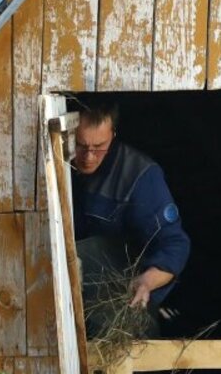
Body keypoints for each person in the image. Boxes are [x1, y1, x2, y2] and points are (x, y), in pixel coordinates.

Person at [68, 102, 189, 339]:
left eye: (99, 146)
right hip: (66, 302)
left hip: (118, 299)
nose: (89, 156)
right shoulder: (55, 164)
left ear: (113, 135)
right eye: (80, 145)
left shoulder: (140, 176)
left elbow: (174, 245)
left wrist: (145, 282)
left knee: (85, 254)